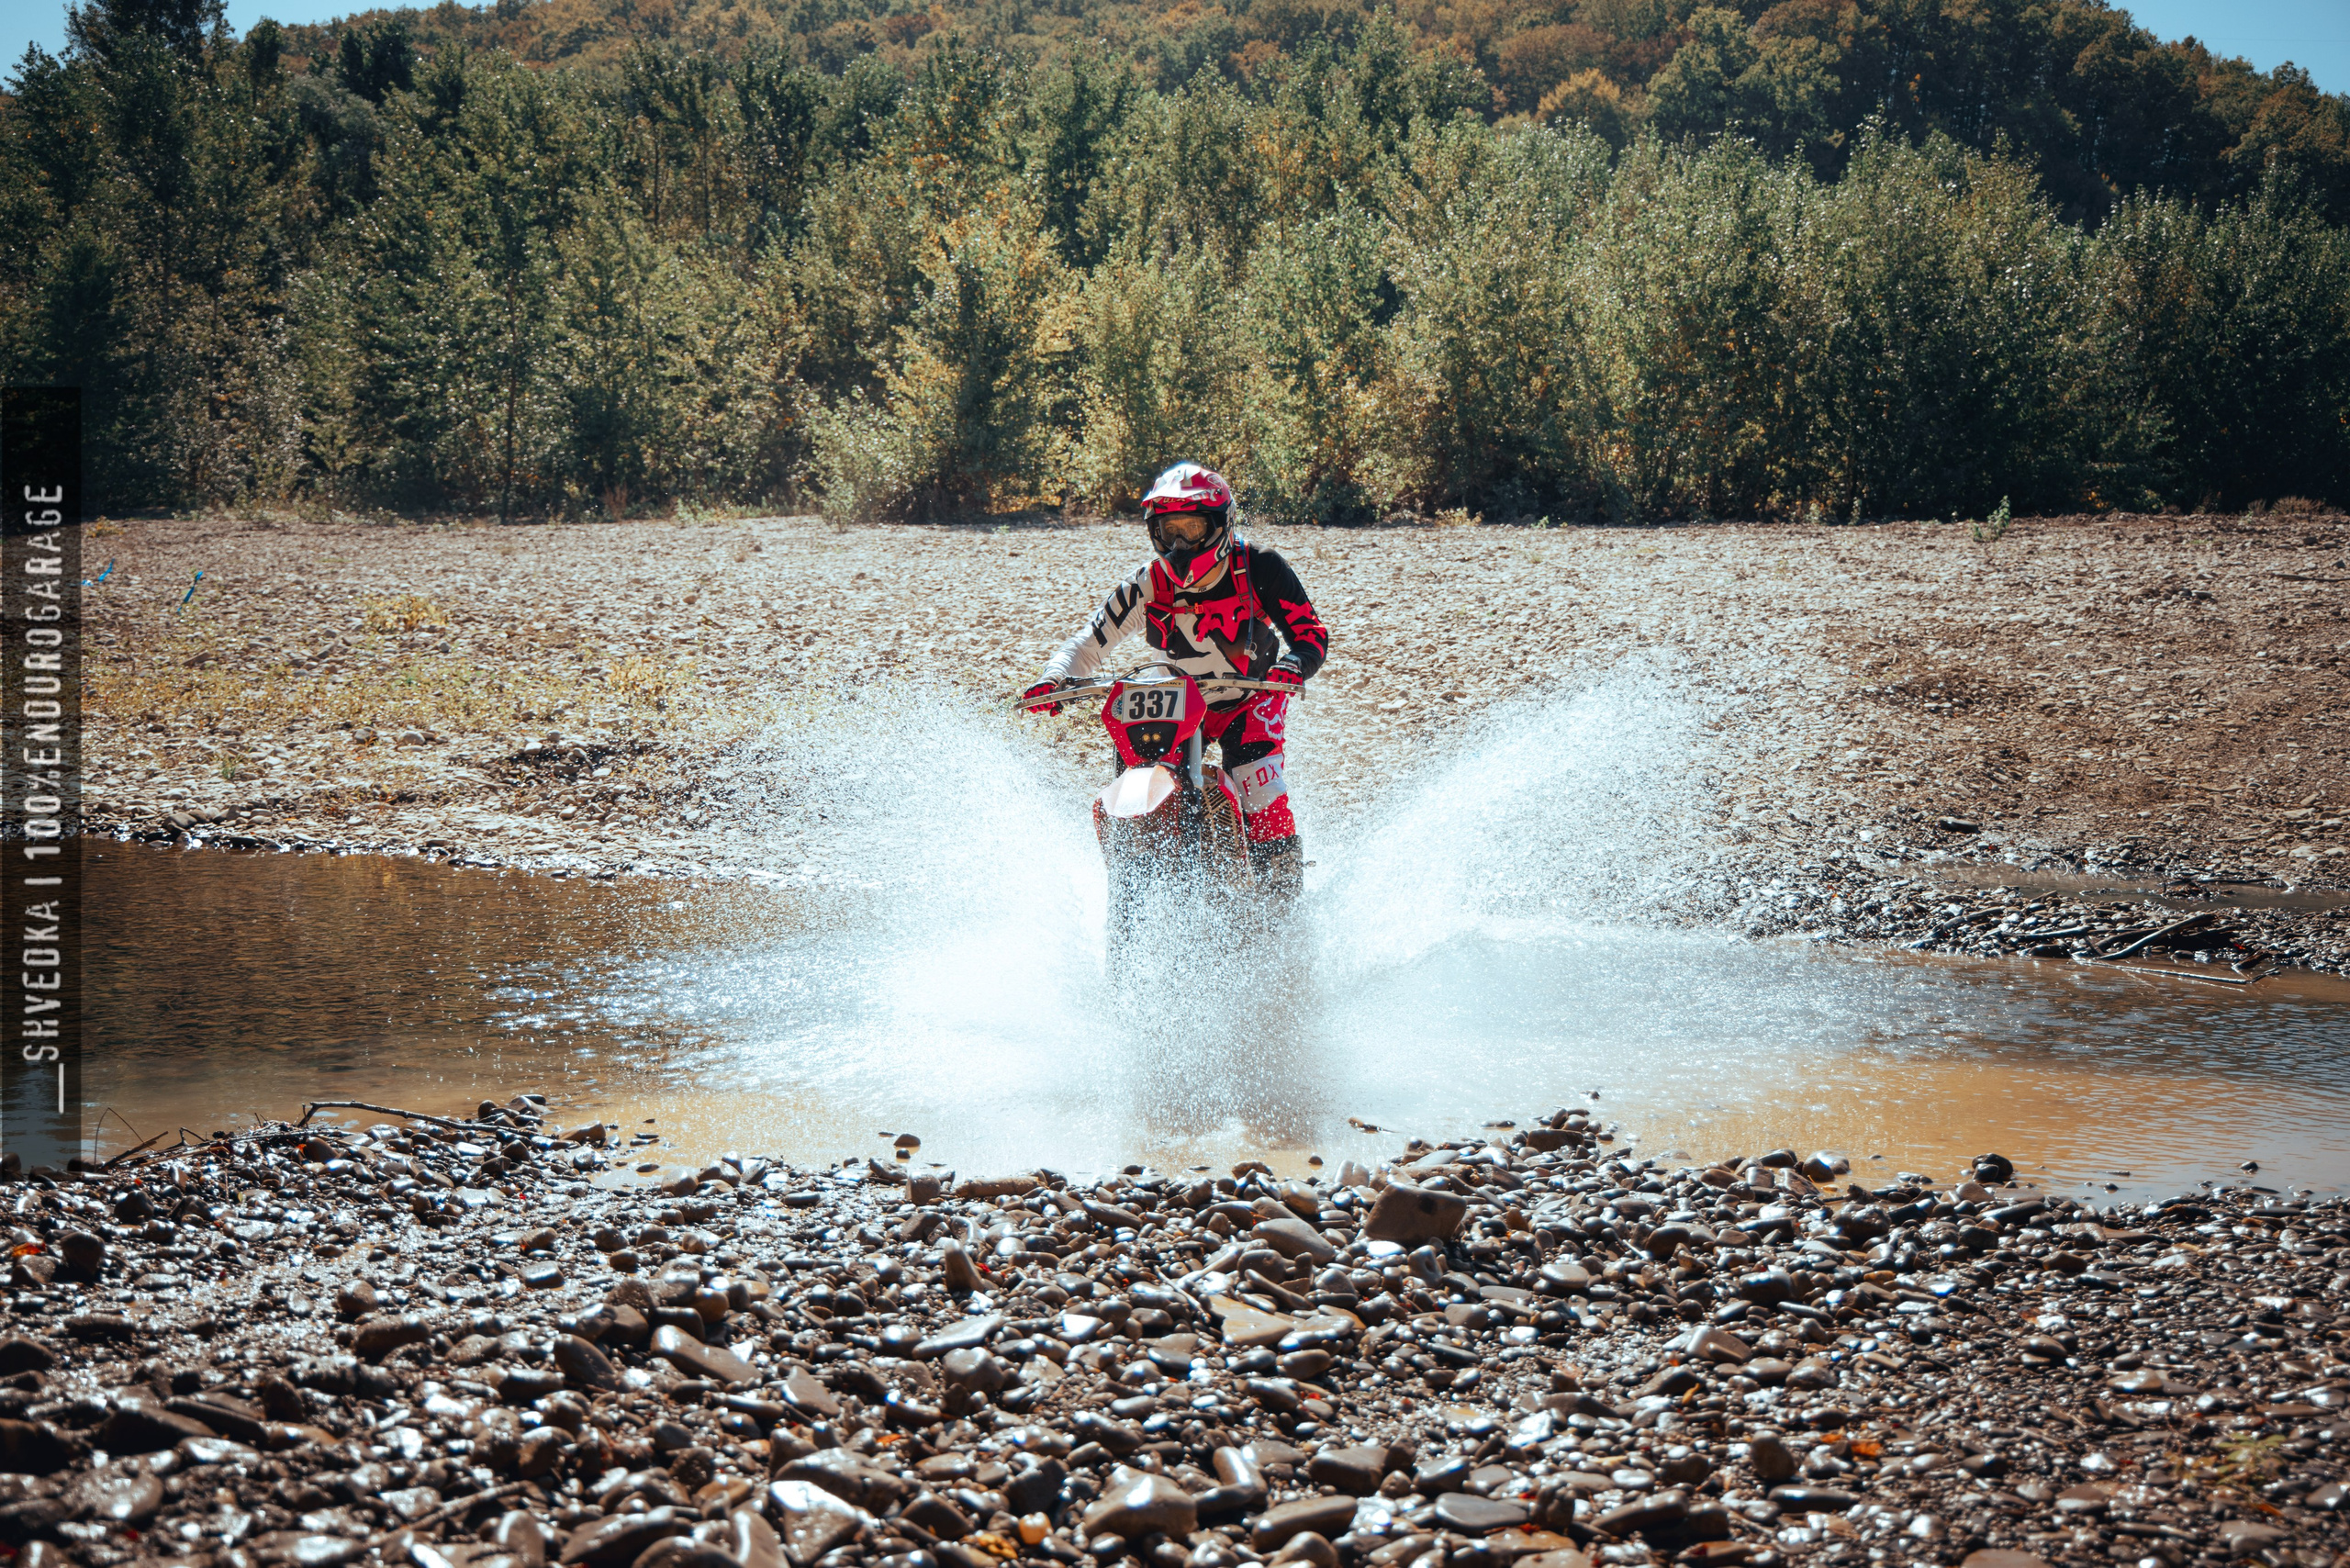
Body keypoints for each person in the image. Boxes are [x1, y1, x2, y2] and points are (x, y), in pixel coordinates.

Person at [1024, 462, 1330, 899]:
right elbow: (1087, 644)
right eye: (1170, 531)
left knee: (1261, 791)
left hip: (1252, 698)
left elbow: (1310, 634)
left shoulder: (1260, 567)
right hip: (1179, 702)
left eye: (1192, 528)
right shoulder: (1146, 582)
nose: (1181, 543)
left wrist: (1294, 666)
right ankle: (1129, 883)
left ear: (1221, 525)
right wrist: (1054, 677)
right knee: (1134, 774)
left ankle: (1280, 905)